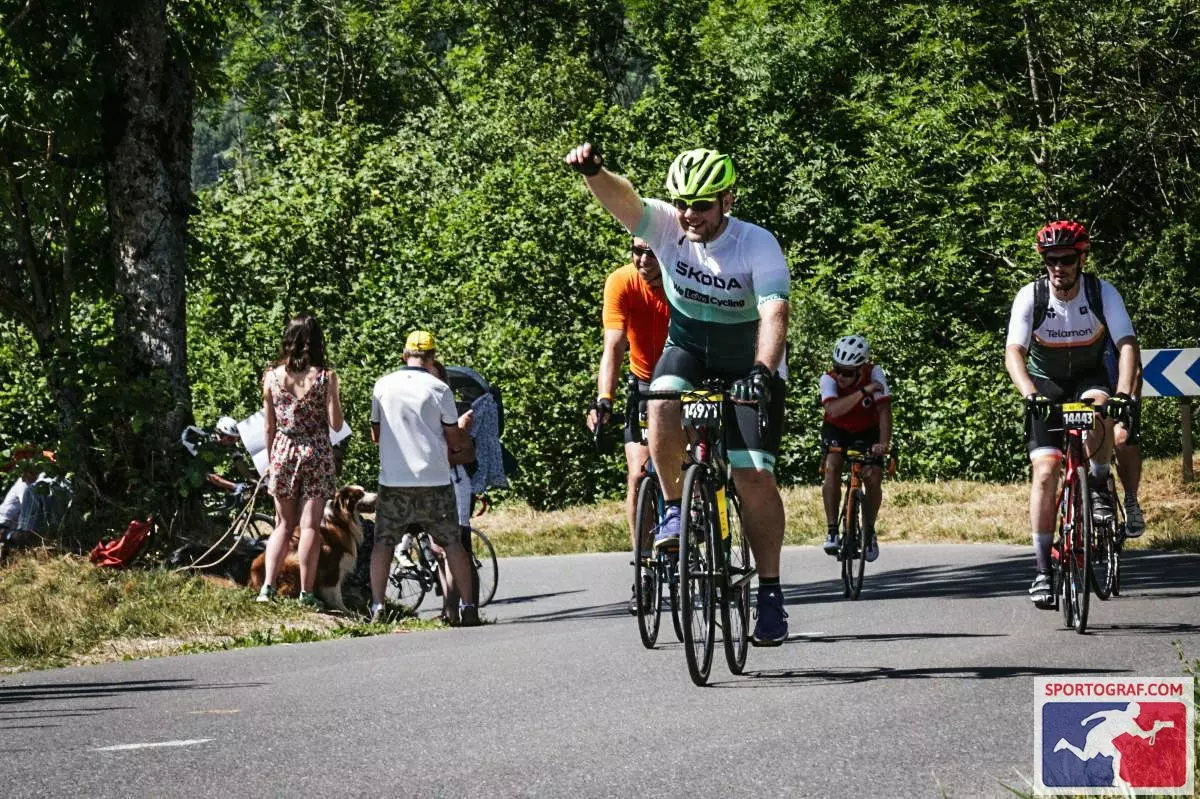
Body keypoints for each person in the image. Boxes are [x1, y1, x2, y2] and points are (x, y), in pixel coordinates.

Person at [566, 143, 792, 646]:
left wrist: (761, 370)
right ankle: (674, 507)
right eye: (683, 203)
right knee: (661, 397)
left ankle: (771, 594)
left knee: (753, 473)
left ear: (727, 201)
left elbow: (775, 313)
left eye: (702, 205)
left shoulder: (756, 244)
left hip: (749, 358)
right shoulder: (666, 227)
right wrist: (594, 172)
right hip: (689, 348)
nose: (690, 215)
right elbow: (624, 201)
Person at [1005, 220, 1139, 608]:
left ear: (1081, 259)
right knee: (1046, 472)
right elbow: (1014, 352)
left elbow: (1126, 344)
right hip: (1046, 384)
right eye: (1051, 260)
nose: (1058, 267)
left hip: (1088, 377)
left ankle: (1097, 481)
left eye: (1066, 259)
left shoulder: (1101, 292)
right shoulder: (1031, 296)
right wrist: (1029, 392)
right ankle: (1042, 570)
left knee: (1099, 408)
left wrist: (1123, 393)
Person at [368, 331, 479, 626]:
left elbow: (376, 434)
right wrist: (459, 437)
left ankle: (378, 606)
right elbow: (453, 438)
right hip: (435, 478)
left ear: (404, 355)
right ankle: (469, 607)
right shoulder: (439, 388)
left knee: (383, 543)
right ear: (432, 358)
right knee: (452, 543)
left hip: (394, 479)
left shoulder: (382, 385)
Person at [584, 236, 670, 614]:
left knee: (691, 461)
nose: (643, 259)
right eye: (637, 251)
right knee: (638, 475)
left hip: (686, 380)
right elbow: (614, 345)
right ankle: (644, 568)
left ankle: (697, 516)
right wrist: (604, 399)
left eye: (652, 252)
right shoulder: (621, 281)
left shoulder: (681, 279)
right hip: (644, 383)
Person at [257, 313, 345, 608]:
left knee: (282, 524)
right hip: (316, 452)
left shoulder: (271, 376)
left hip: (283, 451)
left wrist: (271, 461)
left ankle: (267, 587)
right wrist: (333, 394)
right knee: (309, 527)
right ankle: (306, 593)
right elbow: (336, 424)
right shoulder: (325, 377)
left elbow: (268, 426)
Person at [819, 335, 892, 562]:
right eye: (838, 369)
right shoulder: (828, 379)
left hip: (867, 431)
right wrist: (863, 392)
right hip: (837, 429)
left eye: (848, 372)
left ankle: (869, 531)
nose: (841, 376)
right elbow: (833, 410)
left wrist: (883, 444)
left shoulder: (875, 374)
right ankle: (832, 530)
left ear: (861, 369)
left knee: (873, 476)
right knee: (832, 466)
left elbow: (884, 411)